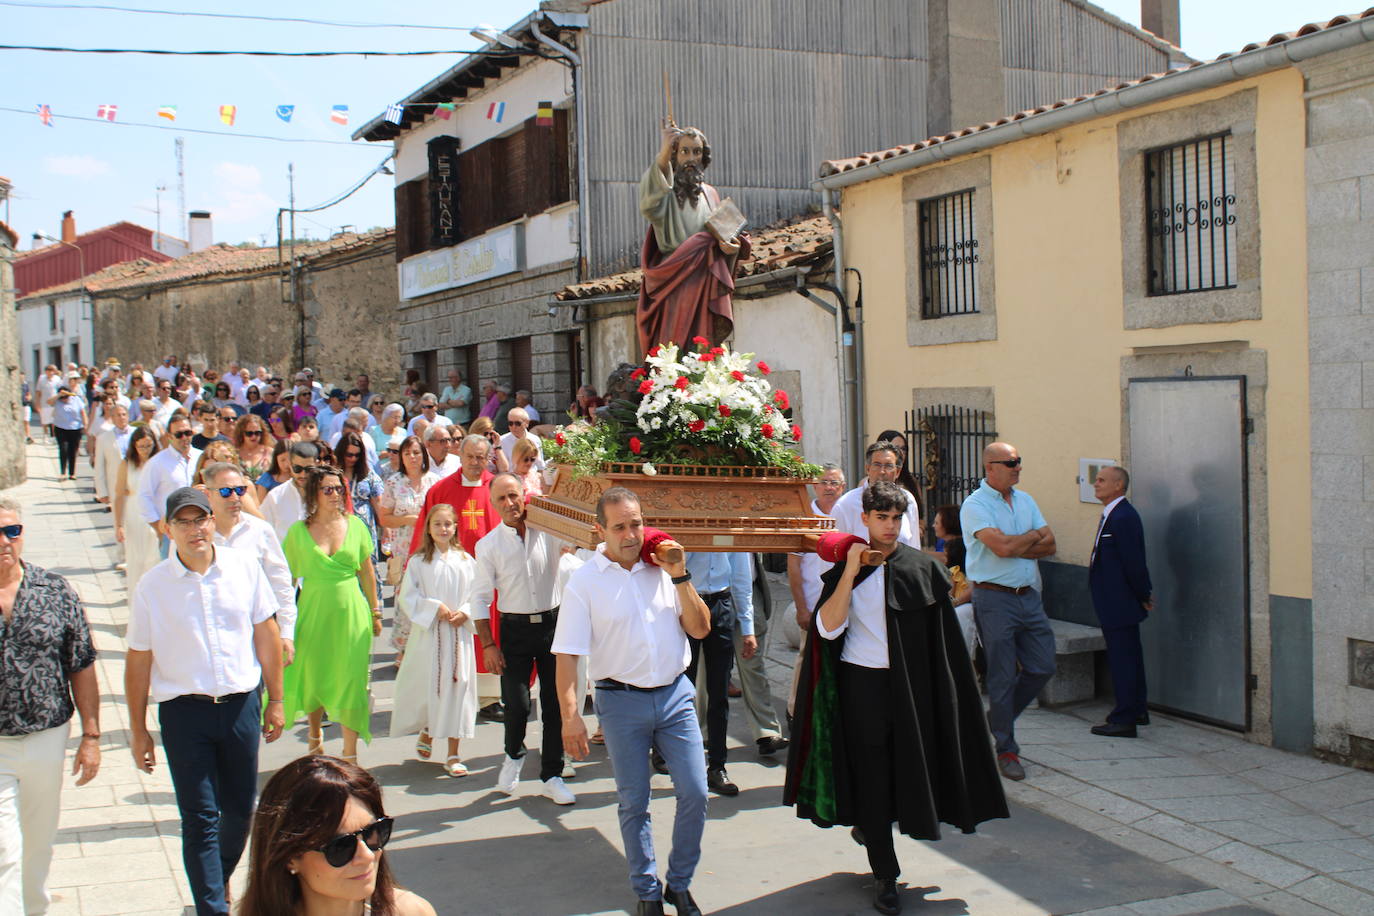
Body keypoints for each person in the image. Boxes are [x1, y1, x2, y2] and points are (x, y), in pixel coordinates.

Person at [785, 481, 1009, 916]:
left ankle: (875, 828)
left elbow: (941, 647)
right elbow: (827, 630)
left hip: (912, 689)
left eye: (896, 518)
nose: (889, 526)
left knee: (911, 766)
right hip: (859, 685)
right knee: (870, 773)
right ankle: (885, 873)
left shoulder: (922, 569)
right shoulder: (848, 567)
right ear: (865, 519)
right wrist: (849, 572)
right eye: (881, 518)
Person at [125, 487, 285, 916]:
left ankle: (213, 878)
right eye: (184, 522)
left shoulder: (242, 568)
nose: (195, 530)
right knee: (199, 818)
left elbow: (266, 633)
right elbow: (139, 658)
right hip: (184, 712)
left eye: (202, 520)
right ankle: (211, 907)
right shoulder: (152, 587)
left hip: (239, 706)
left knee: (239, 812)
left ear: (213, 522)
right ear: (168, 529)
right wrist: (138, 730)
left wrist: (277, 699)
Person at [555, 488, 710, 916]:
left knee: (696, 793)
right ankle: (646, 891)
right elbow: (568, 655)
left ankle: (679, 883)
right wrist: (571, 718)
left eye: (636, 523)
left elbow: (699, 630)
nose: (631, 534)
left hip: (676, 694)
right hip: (620, 701)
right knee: (634, 801)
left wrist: (680, 576)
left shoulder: (663, 567)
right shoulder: (585, 581)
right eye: (620, 526)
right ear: (599, 530)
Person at [0, 497, 100, 915]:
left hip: (46, 734)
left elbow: (81, 664)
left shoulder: (54, 589)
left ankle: (33, 906)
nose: (6, 541)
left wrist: (92, 737)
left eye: (13, 531)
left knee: (38, 838)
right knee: (4, 846)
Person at [471, 474, 575, 804]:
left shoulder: (549, 530)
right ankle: (513, 755)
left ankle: (553, 774)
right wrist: (488, 644)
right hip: (514, 629)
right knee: (516, 703)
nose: (510, 504)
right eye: (501, 499)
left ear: (524, 495)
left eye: (514, 496)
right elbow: (479, 598)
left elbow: (576, 545)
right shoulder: (488, 546)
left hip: (552, 625)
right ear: (493, 504)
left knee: (555, 703)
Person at [959, 442, 1057, 782]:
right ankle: (1007, 749)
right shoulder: (975, 505)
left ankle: (998, 718)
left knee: (1043, 665)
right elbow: (1001, 548)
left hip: (1028, 596)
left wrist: (1017, 543)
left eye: (1019, 461)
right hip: (994, 598)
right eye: (1010, 462)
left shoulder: (1026, 500)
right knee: (1001, 674)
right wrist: (1030, 538)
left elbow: (1052, 544)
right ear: (990, 467)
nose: (1017, 467)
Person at [240, 755, 436, 916]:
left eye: (373, 833)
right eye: (341, 847)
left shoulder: (411, 911)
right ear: (290, 858)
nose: (367, 855)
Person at [281, 466, 380, 764]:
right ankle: (314, 734)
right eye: (327, 489)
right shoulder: (298, 533)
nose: (335, 494)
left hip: (351, 611)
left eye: (339, 489)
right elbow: (284, 580)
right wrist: (281, 623)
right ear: (314, 493)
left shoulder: (357, 525)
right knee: (314, 674)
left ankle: (350, 753)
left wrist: (375, 610)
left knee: (351, 679)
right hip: (312, 610)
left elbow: (367, 571)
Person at [637, 120, 751, 353]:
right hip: (675, 278)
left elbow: (724, 232)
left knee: (704, 342)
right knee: (675, 341)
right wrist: (664, 149)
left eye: (696, 151)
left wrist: (730, 247)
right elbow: (649, 199)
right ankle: (673, 382)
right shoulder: (665, 192)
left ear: (704, 156)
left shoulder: (710, 193)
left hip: (705, 276)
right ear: (675, 155)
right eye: (684, 151)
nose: (691, 158)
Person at [411, 435, 504, 720]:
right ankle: (450, 696)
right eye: (471, 457)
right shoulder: (440, 490)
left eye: (482, 458)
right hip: (450, 576)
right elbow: (424, 532)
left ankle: (489, 698)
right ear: (459, 456)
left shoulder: (497, 488)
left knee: (489, 633)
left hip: (490, 574)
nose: (476, 463)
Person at [390, 505, 479, 777]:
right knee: (432, 685)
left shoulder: (465, 560)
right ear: (429, 528)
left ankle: (453, 754)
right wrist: (433, 608)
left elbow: (478, 594)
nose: (443, 529)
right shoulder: (419, 562)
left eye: (448, 524)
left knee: (458, 687)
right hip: (430, 635)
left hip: (458, 635)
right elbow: (408, 597)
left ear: (455, 528)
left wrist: (466, 611)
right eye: (437, 524)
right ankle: (428, 729)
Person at [204, 463, 298, 667]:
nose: (235, 498)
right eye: (225, 491)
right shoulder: (197, 536)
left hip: (255, 636)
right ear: (208, 494)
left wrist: (286, 632)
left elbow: (281, 583)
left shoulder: (261, 531)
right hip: (209, 638)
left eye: (240, 490)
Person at [680, 551, 755, 797]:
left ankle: (717, 766)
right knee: (681, 686)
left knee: (719, 691)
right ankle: (672, 756)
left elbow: (742, 577)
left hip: (720, 603)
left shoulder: (732, 526)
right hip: (686, 599)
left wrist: (748, 627)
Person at [1088, 466, 1153, 739]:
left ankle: (1124, 718)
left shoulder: (1124, 516)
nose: (1096, 484)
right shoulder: (1112, 514)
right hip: (1112, 599)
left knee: (1123, 659)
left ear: (1118, 485)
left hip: (1120, 601)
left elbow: (1133, 561)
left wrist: (1143, 594)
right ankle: (1136, 708)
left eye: (1102, 480)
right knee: (1129, 656)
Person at [377, 436, 439, 658]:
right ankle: (404, 647)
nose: (412, 457)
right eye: (407, 453)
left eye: (416, 452)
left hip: (430, 545)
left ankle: (429, 645)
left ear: (423, 454)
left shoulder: (434, 481)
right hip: (404, 547)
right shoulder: (394, 482)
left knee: (430, 592)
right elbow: (384, 518)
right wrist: (408, 519)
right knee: (406, 595)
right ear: (401, 457)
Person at [832, 442, 922, 549]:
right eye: (877, 465)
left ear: (898, 471)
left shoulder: (908, 500)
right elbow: (835, 551)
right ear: (868, 469)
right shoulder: (846, 504)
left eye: (888, 466)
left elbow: (914, 545)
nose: (882, 471)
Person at [137, 413, 202, 557]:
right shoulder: (157, 463)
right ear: (169, 436)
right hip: (172, 533)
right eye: (179, 434)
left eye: (188, 433)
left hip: (200, 529)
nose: (184, 438)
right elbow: (144, 496)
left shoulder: (201, 457)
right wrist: (158, 528)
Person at [115, 426, 162, 590]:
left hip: (156, 511)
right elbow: (119, 495)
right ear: (134, 446)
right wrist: (118, 525)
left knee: (155, 557)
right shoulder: (127, 464)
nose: (145, 450)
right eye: (141, 446)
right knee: (136, 559)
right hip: (134, 512)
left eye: (148, 446)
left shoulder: (158, 462)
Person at [933, 505, 978, 658]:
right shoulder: (942, 544)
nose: (933, 526)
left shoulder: (962, 548)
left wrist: (952, 602)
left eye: (937, 523)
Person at [262, 442, 319, 543]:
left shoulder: (326, 494)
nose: (303, 474)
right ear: (290, 465)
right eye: (298, 469)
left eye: (309, 469)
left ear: (317, 465)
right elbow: (264, 532)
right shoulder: (275, 496)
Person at [94, 403, 134, 511]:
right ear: (112, 418)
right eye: (118, 415)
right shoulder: (103, 438)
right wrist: (102, 491)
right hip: (116, 485)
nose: (122, 417)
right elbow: (99, 466)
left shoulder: (137, 433)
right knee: (119, 520)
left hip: (136, 483)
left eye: (124, 414)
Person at [874, 428, 923, 510]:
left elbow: (920, 517)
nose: (901, 453)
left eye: (903, 449)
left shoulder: (911, 482)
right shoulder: (867, 483)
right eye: (896, 448)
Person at [48, 383, 87, 481]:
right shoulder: (57, 401)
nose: (64, 399)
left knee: (73, 451)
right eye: (62, 398)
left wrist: (86, 425)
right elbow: (48, 402)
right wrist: (58, 395)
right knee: (63, 449)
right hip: (61, 428)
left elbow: (83, 413)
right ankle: (63, 472)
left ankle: (72, 473)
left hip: (75, 428)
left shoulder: (76, 399)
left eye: (66, 397)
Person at [232, 414, 274, 482]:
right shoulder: (234, 453)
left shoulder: (270, 452)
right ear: (241, 433)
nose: (253, 437)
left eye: (257, 433)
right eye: (249, 433)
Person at [35, 366, 61, 441]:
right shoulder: (41, 378)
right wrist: (37, 403)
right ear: (46, 371)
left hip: (55, 403)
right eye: (49, 371)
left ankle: (54, 436)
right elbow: (38, 392)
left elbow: (60, 390)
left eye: (52, 371)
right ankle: (45, 435)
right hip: (44, 403)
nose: (51, 372)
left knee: (54, 420)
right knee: (45, 420)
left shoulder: (57, 379)